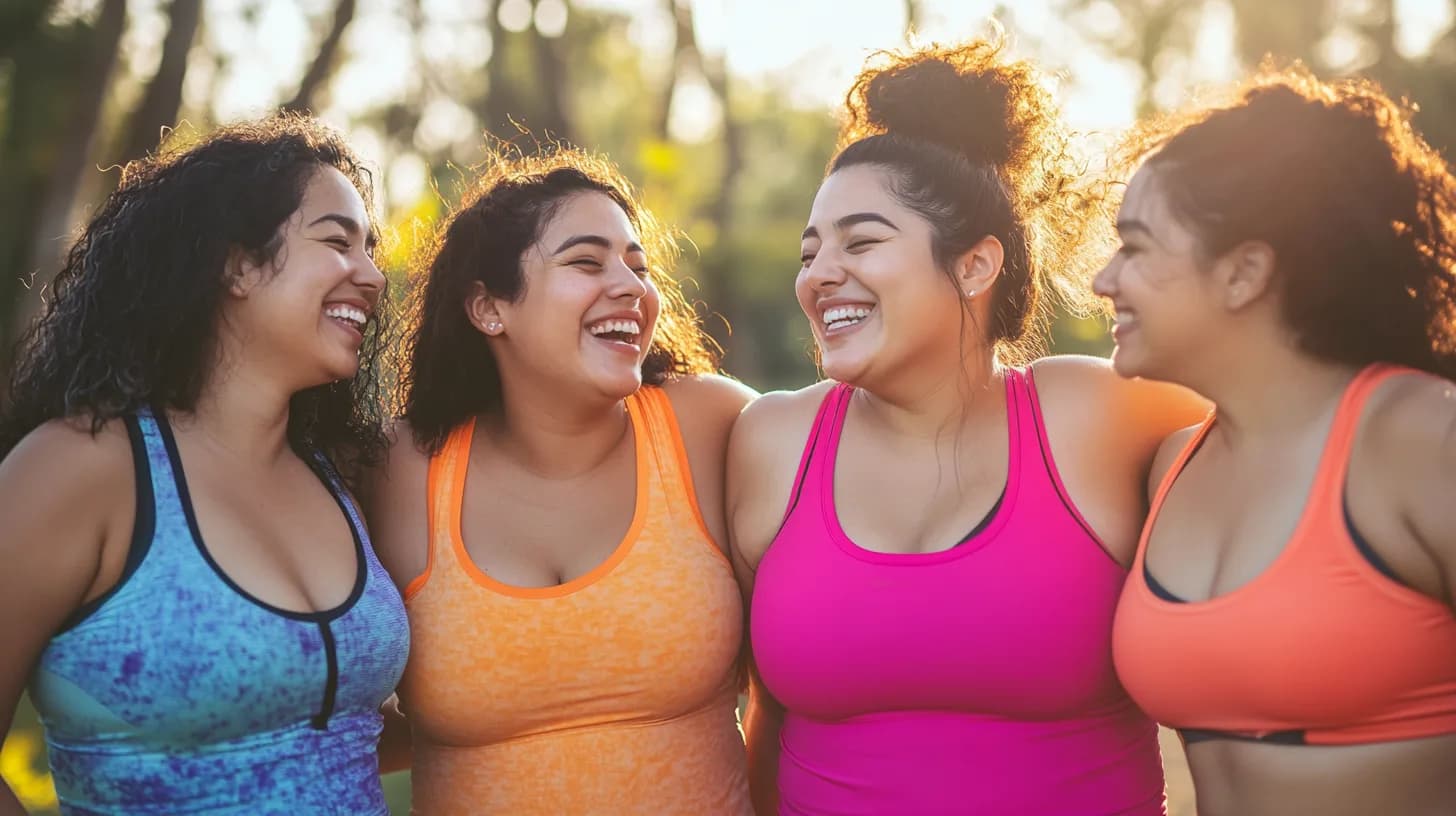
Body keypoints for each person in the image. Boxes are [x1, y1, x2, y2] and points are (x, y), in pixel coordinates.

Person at [727, 40, 1209, 815]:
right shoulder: (770, 441)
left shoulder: (1096, 416)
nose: (818, 275)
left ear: (976, 266)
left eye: (862, 241)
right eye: (810, 250)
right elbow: (763, 726)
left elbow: (1276, 421)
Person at [0, 115, 409, 815]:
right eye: (338, 243)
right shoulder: (80, 470)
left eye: (370, 250)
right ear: (236, 263)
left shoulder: (342, 474)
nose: (370, 275)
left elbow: (335, 731)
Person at [1104, 67, 1456, 816]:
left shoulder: (1421, 440)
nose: (1105, 279)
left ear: (1243, 273)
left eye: (1134, 249)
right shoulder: (1171, 464)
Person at [366, 144, 756, 814]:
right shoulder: (396, 472)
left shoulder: (713, 426)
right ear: (489, 309)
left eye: (638, 265)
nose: (631, 286)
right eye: (585, 261)